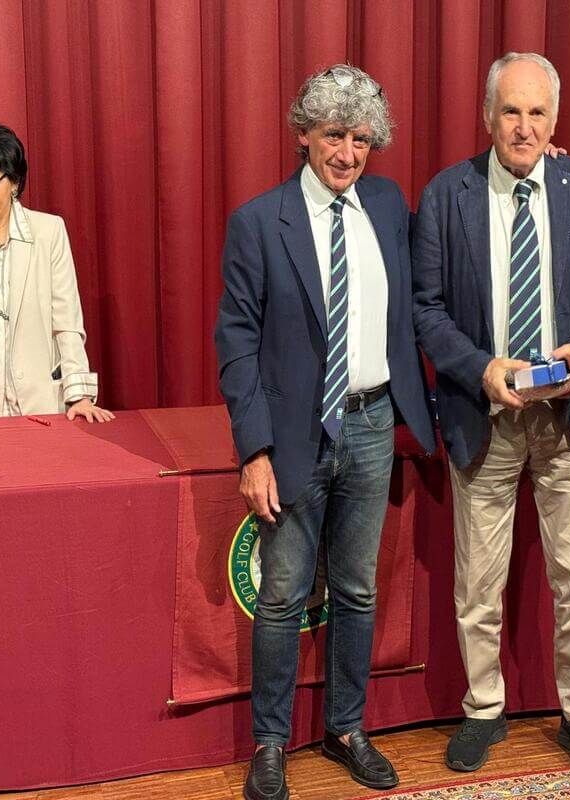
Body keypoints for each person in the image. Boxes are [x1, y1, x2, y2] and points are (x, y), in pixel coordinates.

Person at [215, 65, 435, 800]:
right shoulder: (259, 221)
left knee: (357, 588)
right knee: (281, 594)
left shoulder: (388, 203)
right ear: (304, 134)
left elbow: (445, 259)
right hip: (293, 434)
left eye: (362, 139)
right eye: (335, 135)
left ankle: (346, 728)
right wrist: (254, 450)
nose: (348, 153)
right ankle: (270, 743)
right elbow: (236, 343)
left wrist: (540, 161)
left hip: (372, 422)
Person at [412, 52, 570, 778]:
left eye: (537, 112)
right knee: (478, 584)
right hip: (486, 417)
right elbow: (426, 309)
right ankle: (484, 709)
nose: (524, 126)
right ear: (488, 116)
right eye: (511, 110)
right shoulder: (446, 195)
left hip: (566, 417)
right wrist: (481, 369)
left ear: (554, 119)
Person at [0, 121, 112, 422]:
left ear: (15, 182)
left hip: (35, 402)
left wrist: (79, 395)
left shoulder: (48, 231)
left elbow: (66, 321)